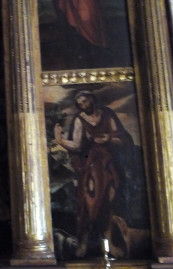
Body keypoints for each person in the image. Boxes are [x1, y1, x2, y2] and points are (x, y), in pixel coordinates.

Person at [53, 91, 134, 258]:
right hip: (91, 166)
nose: (84, 105)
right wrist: (60, 140)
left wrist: (108, 139)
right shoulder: (80, 119)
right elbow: (76, 145)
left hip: (109, 164)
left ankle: (110, 243)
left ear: (92, 100)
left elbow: (121, 137)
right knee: (90, 204)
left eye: (85, 101)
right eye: (80, 104)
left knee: (108, 203)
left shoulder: (107, 114)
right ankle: (83, 243)